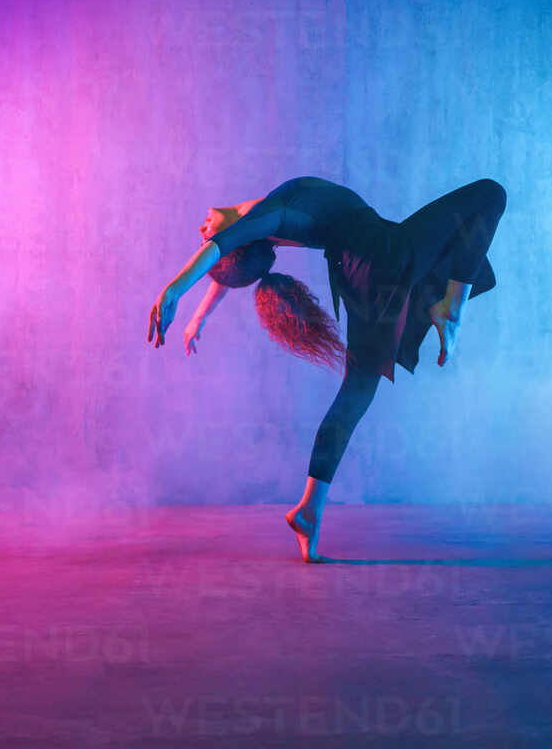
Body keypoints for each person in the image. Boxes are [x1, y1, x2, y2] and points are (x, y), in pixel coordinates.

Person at [149, 176, 506, 562]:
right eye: (207, 241)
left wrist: (197, 318)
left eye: (205, 239)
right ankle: (451, 309)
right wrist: (175, 289)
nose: (201, 233)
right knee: (490, 194)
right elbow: (223, 245)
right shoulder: (273, 215)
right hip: (380, 252)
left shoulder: (265, 222)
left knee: (357, 392)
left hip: (359, 271)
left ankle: (309, 510)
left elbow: (226, 248)